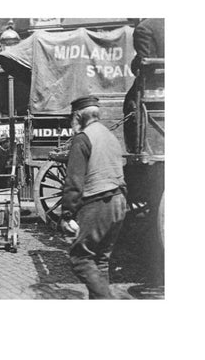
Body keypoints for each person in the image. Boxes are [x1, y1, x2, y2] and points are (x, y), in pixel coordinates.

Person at [60, 96, 127, 299]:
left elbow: (74, 181)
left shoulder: (82, 138)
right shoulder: (109, 135)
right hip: (119, 200)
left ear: (78, 116)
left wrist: (67, 214)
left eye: (73, 118)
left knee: (79, 258)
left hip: (98, 202)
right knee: (101, 260)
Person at [123, 18, 164, 153]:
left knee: (130, 102)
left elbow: (145, 62)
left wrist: (135, 64)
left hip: (157, 84)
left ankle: (136, 149)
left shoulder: (144, 28)